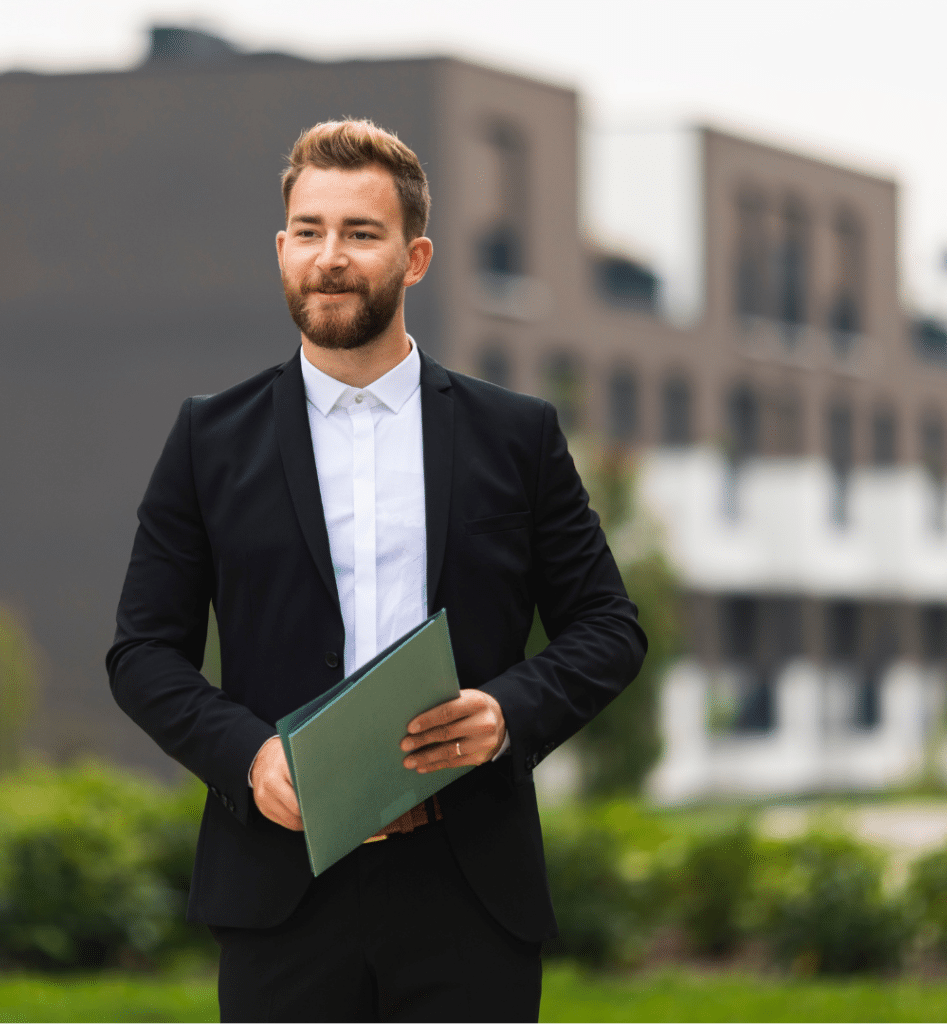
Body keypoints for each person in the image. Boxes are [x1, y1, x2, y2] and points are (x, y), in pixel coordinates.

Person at [107, 119, 646, 1023]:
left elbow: (609, 627)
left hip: (469, 889)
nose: (331, 258)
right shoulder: (207, 438)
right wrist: (248, 758)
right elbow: (142, 653)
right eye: (310, 232)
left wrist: (510, 712)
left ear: (416, 255)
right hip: (283, 887)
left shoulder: (516, 436)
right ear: (281, 250)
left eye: (361, 233)